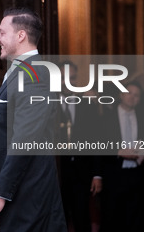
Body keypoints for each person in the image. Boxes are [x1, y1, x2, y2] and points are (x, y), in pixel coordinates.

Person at [0, 7, 67, 232]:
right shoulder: (21, 71)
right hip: (21, 192)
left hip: (27, 193)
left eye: (1, 33)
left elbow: (26, 138)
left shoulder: (34, 74)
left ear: (21, 36)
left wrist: (0, 194)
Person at [54, 61, 102, 232]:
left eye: (72, 78)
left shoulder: (87, 104)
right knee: (57, 219)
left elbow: (96, 139)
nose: (68, 82)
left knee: (82, 217)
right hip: (56, 171)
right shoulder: (47, 103)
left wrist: (97, 175)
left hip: (82, 172)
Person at [100, 82, 144, 232]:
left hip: (137, 174)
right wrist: (118, 151)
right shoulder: (107, 117)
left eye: (136, 95)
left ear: (139, 100)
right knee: (112, 218)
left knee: (134, 219)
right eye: (129, 93)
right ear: (121, 95)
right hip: (114, 173)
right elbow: (99, 143)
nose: (132, 97)